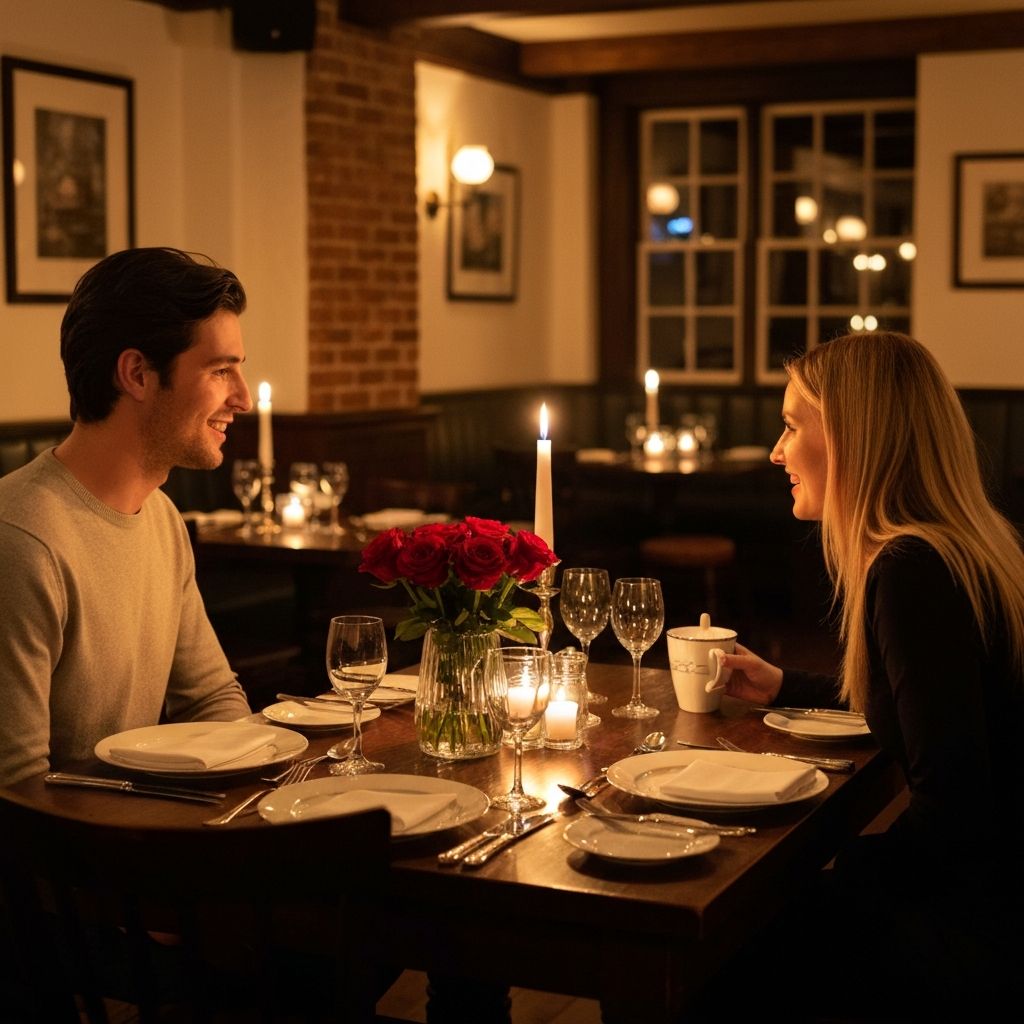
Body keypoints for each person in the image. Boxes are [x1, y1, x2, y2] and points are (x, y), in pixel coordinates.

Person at [712, 332, 1024, 1016]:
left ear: (854, 438)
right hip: (996, 891)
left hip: (981, 926)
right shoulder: (962, 546)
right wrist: (784, 685)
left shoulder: (909, 572)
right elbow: (938, 707)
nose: (776, 450)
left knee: (721, 957)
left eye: (792, 425)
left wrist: (837, 869)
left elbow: (955, 810)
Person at [0, 247, 254, 786]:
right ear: (137, 374)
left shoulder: (159, 516)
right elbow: (17, 792)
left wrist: (264, 793)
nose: (244, 398)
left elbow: (210, 697)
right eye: (220, 370)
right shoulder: (21, 541)